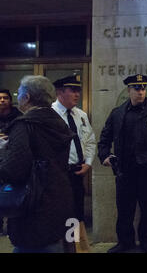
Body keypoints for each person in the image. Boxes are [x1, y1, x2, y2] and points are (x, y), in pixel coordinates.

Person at [0, 75, 74, 253]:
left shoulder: (24, 125)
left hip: (33, 208)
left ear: (27, 98)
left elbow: (14, 170)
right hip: (58, 200)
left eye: (20, 94)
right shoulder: (59, 123)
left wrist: (3, 152)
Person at [98, 74, 147, 253]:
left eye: (143, 88)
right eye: (137, 89)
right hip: (125, 171)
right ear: (129, 90)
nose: (141, 92)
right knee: (124, 210)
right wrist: (105, 156)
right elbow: (104, 138)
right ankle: (125, 242)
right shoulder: (118, 113)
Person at [52, 75, 96, 252]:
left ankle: (76, 248)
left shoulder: (81, 115)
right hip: (59, 174)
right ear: (60, 92)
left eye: (78, 90)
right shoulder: (50, 114)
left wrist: (88, 163)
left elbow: (90, 141)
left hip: (78, 172)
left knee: (77, 215)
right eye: (73, 90)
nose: (77, 94)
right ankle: (62, 247)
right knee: (61, 213)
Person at [0, 89, 22, 235]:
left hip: (12, 159)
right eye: (0, 98)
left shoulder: (18, 117)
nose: (2, 100)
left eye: (5, 98)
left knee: (13, 193)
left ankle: (14, 225)